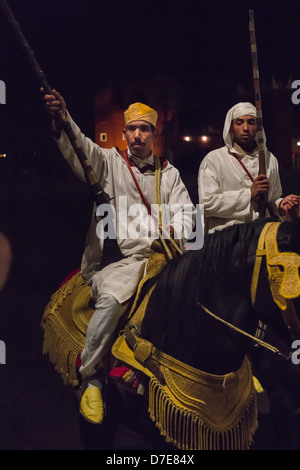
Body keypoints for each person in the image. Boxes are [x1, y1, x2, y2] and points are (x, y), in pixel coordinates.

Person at [43, 89, 195, 424]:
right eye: (132, 129)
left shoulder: (168, 174)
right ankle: (91, 376)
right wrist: (62, 117)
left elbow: (185, 213)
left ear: (155, 134)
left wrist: (175, 230)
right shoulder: (109, 162)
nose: (138, 135)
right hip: (122, 262)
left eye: (145, 129)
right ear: (125, 133)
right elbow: (79, 147)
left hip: (164, 259)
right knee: (112, 300)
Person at [198, 102, 299, 234]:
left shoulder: (269, 159)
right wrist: (248, 194)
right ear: (231, 128)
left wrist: (281, 204)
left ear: (257, 127)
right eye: (239, 123)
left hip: (261, 235)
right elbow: (207, 204)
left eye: (251, 122)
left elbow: (272, 198)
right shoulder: (214, 159)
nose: (246, 128)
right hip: (227, 239)